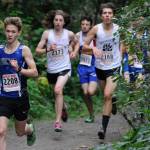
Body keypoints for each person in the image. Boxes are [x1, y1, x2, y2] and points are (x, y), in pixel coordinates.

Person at [83, 3, 122, 139]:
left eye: (110, 13)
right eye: (105, 13)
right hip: (100, 67)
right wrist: (93, 49)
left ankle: (103, 129)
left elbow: (124, 43)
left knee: (106, 95)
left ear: (113, 15)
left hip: (115, 66)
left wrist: (121, 57)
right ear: (101, 15)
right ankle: (114, 100)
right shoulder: (95, 29)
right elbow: (84, 46)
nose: (107, 15)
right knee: (107, 97)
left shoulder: (119, 29)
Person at [36, 10, 78, 132]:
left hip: (65, 67)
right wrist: (48, 49)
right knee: (57, 93)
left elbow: (77, 42)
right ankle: (63, 107)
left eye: (60, 20)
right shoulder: (47, 34)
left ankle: (57, 122)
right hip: (51, 69)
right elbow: (38, 51)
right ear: (53, 21)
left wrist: (74, 52)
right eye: (56, 20)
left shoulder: (69, 34)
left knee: (58, 90)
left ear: (64, 22)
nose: (58, 22)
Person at [0, 17, 38, 150]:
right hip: (3, 97)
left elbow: (35, 72)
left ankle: (30, 129)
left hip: (20, 98)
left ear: (18, 33)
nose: (10, 34)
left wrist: (19, 69)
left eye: (13, 32)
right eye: (8, 31)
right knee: (1, 131)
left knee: (20, 132)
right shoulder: (0, 50)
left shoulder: (23, 50)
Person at [75, 16, 97, 123]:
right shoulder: (77, 36)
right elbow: (71, 46)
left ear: (90, 25)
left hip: (93, 66)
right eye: (83, 24)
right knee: (85, 93)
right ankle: (91, 114)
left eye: (87, 24)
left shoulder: (95, 36)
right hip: (82, 67)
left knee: (91, 92)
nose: (84, 26)